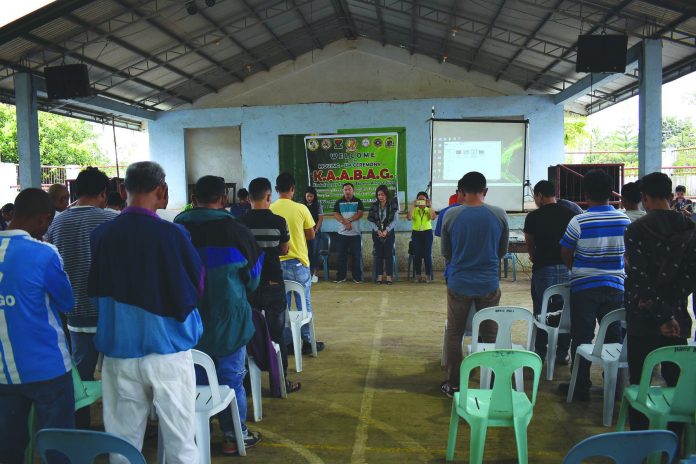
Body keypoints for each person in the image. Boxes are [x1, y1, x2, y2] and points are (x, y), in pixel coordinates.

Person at [88, 161, 203, 464]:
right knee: (181, 444)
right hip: (168, 354)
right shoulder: (174, 235)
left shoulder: (101, 235)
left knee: (122, 446)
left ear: (122, 190)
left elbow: (95, 292)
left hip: (118, 356)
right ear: (162, 191)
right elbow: (195, 287)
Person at [175, 176, 263, 454]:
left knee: (195, 380)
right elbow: (253, 278)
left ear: (194, 197)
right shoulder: (237, 231)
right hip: (230, 322)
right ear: (223, 199)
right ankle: (233, 436)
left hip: (189, 322)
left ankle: (197, 434)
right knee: (231, 380)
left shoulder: (177, 228)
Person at [0, 188, 75, 464]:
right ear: (44, 219)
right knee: (57, 447)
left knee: (7, 448)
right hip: (48, 368)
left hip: (3, 374)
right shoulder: (44, 254)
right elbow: (67, 301)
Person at [46, 167, 118, 428]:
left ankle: (81, 428)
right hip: (109, 314)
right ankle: (118, 427)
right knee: (116, 374)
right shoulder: (111, 219)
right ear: (103, 193)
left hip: (75, 313)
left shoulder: (57, 222)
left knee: (81, 373)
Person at [624, 172, 695, 430]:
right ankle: (675, 444)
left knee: (639, 381)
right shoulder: (690, 228)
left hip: (644, 317)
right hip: (677, 318)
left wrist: (661, 315)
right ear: (669, 195)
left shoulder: (636, 230)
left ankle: (641, 443)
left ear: (644, 198)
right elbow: (690, 277)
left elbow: (640, 280)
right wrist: (670, 314)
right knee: (677, 381)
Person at [558, 169, 630, 401]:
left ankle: (580, 386)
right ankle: (616, 387)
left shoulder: (579, 220)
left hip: (584, 288)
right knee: (614, 336)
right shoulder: (624, 220)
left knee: (581, 336)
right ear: (610, 192)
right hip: (616, 286)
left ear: (586, 193)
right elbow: (629, 255)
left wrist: (578, 271)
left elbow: (566, 252)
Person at [440, 172, 509, 398]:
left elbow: (446, 253)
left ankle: (455, 384)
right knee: (489, 333)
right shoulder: (499, 215)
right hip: (488, 283)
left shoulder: (450, 215)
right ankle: (489, 383)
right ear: (485, 191)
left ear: (461, 191)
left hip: (459, 282)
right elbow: (502, 252)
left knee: (454, 333)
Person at [241, 177, 301, 393]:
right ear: (269, 196)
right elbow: (285, 249)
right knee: (276, 334)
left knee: (247, 333)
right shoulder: (278, 222)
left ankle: (247, 384)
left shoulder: (240, 224)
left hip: (248, 286)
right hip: (274, 283)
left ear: (248, 198)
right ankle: (280, 383)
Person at [270, 173, 325, 354]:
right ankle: (308, 342)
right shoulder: (301, 208)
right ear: (293, 189)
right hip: (299, 263)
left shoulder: (270, 208)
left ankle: (287, 343)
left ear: (276, 190)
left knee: (281, 306)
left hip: (276, 263)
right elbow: (311, 235)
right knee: (304, 303)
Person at [523, 180, 575, 363]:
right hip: (567, 268)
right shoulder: (571, 215)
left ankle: (540, 351)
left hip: (543, 268)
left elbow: (529, 243)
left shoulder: (533, 217)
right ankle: (562, 353)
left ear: (539, 195)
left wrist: (534, 256)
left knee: (541, 308)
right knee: (565, 310)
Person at [332, 182, 364, 283]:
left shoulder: (358, 201)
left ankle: (357, 277)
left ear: (353, 190)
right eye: (345, 189)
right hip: (342, 234)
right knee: (341, 256)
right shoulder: (339, 202)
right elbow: (336, 214)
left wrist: (349, 220)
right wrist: (345, 222)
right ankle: (341, 277)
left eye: (349, 189)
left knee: (356, 256)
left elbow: (360, 213)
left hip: (355, 235)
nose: (347, 191)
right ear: (343, 191)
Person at [367, 185, 398, 284]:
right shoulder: (374, 206)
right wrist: (377, 230)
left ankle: (389, 276)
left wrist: (386, 230)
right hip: (377, 233)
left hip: (389, 233)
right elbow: (370, 220)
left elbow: (395, 220)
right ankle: (379, 276)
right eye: (379, 195)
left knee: (388, 254)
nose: (380, 197)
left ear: (387, 195)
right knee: (379, 254)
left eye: (383, 195)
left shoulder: (392, 205)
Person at [407, 191, 437, 283]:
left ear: (426, 200)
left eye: (423, 200)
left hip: (427, 233)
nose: (421, 201)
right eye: (419, 200)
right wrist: (412, 205)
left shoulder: (428, 210)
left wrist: (430, 206)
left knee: (427, 254)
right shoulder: (415, 210)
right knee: (417, 255)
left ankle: (428, 275)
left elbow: (433, 217)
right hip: (416, 233)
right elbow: (409, 217)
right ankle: (418, 275)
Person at [434, 190, 461, 283]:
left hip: (449, 243)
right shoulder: (472, 210)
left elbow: (438, 232)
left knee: (449, 261)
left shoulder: (444, 212)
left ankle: (449, 279)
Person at [301, 186, 323, 284]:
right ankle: (308, 273)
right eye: (308, 196)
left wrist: (315, 230)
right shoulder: (301, 206)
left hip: (315, 232)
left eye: (311, 196)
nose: (309, 198)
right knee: (306, 252)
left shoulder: (318, 205)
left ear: (314, 196)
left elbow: (320, 219)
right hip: (303, 233)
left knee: (315, 252)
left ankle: (315, 273)